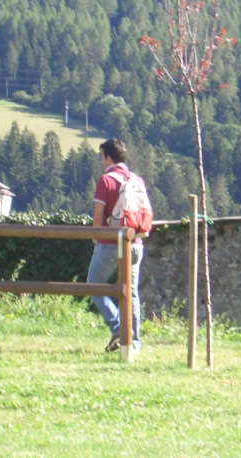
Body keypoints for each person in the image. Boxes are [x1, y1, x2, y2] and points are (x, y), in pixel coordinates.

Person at [86, 138, 144, 353]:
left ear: (108, 157)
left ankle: (119, 328)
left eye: (101, 156)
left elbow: (98, 216)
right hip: (136, 243)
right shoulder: (136, 180)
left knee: (93, 285)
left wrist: (95, 236)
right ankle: (134, 342)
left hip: (111, 243)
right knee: (132, 293)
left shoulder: (106, 180)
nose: (100, 160)